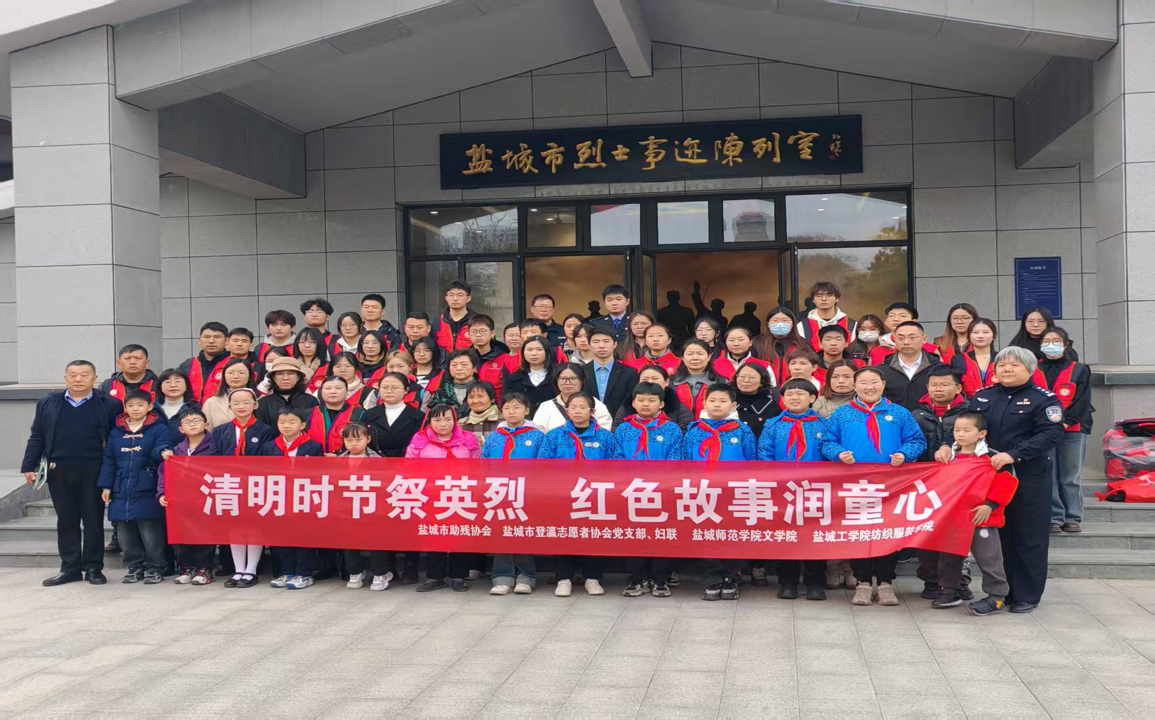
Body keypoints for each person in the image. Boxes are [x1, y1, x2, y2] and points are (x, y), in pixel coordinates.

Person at [955, 347, 1064, 613]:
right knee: (998, 536)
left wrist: (1014, 454)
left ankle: (1026, 595)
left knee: (1028, 535)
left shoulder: (1043, 399)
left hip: (1029, 475)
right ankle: (1000, 593)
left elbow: (1050, 434)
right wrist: (952, 447)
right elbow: (967, 427)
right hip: (990, 477)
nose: (1006, 369)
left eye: (1014, 365)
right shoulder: (983, 396)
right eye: (1002, 364)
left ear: (1030, 369)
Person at [822, 367, 926, 607]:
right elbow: (827, 442)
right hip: (854, 484)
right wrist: (839, 454)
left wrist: (904, 454)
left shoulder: (898, 413)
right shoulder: (842, 414)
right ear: (854, 386)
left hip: (891, 484)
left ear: (883, 384)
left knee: (887, 532)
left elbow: (917, 440)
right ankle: (863, 583)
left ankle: (886, 583)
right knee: (859, 533)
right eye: (863, 383)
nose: (869, 387)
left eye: (874, 382)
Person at [22, 360, 122, 586]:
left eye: (84, 375)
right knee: (66, 520)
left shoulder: (110, 404)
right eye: (73, 375)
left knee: (93, 519)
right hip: (59, 469)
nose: (78, 379)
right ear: (65, 378)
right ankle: (70, 568)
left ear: (95, 378)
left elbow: (115, 438)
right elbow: (37, 434)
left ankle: (94, 568)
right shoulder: (48, 402)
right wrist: (29, 465)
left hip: (94, 469)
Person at [930, 412, 1018, 614]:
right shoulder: (947, 456)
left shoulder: (993, 457)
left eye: (967, 430)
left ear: (981, 433)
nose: (960, 434)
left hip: (983, 517)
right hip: (952, 517)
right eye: (957, 430)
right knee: (949, 556)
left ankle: (996, 596)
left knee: (988, 557)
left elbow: (1007, 484)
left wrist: (990, 505)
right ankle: (950, 590)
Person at [757, 378, 830, 601]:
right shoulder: (773, 424)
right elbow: (765, 454)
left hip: (815, 490)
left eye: (800, 394)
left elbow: (830, 454)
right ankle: (787, 582)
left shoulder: (824, 424)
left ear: (812, 398)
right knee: (786, 536)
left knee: (814, 536)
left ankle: (815, 583)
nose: (794, 398)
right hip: (783, 490)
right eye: (789, 394)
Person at [539, 392, 617, 597]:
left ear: (592, 411)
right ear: (567, 411)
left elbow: (615, 464)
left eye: (582, 407)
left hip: (595, 495)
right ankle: (563, 578)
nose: (577, 411)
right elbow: (544, 464)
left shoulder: (605, 437)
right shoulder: (554, 435)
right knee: (563, 534)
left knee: (594, 535)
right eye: (573, 407)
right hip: (562, 495)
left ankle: (593, 578)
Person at [683, 383, 756, 601]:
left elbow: (752, 461)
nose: (717, 405)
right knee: (706, 535)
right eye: (712, 400)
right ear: (704, 403)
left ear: (733, 405)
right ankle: (712, 579)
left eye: (723, 401)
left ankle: (731, 577)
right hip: (702, 492)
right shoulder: (694, 431)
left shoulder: (743, 431)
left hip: (734, 493)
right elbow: (685, 462)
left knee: (732, 535)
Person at [614, 382, 683, 598]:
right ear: (633, 403)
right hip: (631, 491)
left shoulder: (671, 429)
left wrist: (660, 482)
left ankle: (660, 578)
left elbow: (676, 459)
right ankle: (637, 577)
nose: (646, 404)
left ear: (661, 404)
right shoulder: (624, 429)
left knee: (662, 535)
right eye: (641, 400)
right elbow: (617, 458)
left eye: (651, 400)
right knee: (635, 535)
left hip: (662, 491)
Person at [97, 389, 174, 585]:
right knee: (124, 533)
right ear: (125, 407)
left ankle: (154, 567)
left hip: (147, 486)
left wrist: (164, 451)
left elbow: (162, 445)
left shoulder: (159, 428)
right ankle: (134, 567)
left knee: (151, 531)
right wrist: (106, 486)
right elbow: (109, 460)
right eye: (131, 405)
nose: (135, 409)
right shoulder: (116, 431)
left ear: (149, 406)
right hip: (121, 487)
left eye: (140, 405)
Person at [408, 404, 480, 593]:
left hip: (460, 493)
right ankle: (435, 576)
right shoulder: (420, 440)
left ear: (455, 420)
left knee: (459, 534)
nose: (443, 424)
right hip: (430, 495)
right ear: (429, 421)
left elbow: (477, 467)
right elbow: (410, 467)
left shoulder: (468, 440)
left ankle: (458, 576)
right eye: (437, 420)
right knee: (433, 535)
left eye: (448, 419)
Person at [207, 388, 275, 586]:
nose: (241, 406)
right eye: (236, 403)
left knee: (254, 527)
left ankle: (251, 570)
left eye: (246, 402)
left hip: (255, 484)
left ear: (255, 405)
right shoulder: (221, 430)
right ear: (230, 407)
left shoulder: (265, 430)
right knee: (234, 527)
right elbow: (213, 456)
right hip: (230, 484)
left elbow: (267, 457)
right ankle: (238, 570)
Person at [361, 373, 424, 585]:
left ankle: (410, 566)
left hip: (407, 472)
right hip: (377, 472)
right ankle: (385, 567)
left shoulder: (417, 415)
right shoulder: (369, 414)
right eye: (385, 387)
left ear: (406, 391)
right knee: (381, 520)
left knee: (408, 518)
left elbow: (418, 443)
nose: (389, 391)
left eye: (395, 387)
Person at [481, 392, 546, 596]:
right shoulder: (494, 437)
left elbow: (543, 465)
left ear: (526, 410)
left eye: (517, 407)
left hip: (526, 492)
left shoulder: (537, 436)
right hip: (499, 492)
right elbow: (483, 463)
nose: (511, 411)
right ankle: (502, 576)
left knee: (522, 533)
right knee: (502, 533)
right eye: (507, 408)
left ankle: (526, 576)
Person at [1036, 327, 1093, 534]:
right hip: (1043, 430)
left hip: (1073, 429)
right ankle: (1054, 516)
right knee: (1049, 474)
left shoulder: (1079, 369)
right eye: (1046, 341)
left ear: (1066, 344)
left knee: (1070, 476)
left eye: (1056, 341)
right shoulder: (1033, 368)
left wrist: (1066, 422)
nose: (1051, 344)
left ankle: (1072, 516)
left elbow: (1083, 400)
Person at [259, 408, 324, 590]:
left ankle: (304, 573)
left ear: (302, 425)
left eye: (291, 422)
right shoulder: (270, 447)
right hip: (279, 497)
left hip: (304, 497)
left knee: (304, 536)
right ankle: (287, 572)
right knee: (282, 536)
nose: (286, 426)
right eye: (282, 422)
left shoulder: (313, 446)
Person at [810, 359, 860, 590]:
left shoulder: (863, 402)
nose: (841, 381)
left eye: (847, 377)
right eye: (836, 377)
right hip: (826, 470)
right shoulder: (818, 403)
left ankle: (851, 568)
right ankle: (832, 566)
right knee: (829, 520)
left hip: (855, 470)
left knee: (851, 521)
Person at [158, 408, 214, 586]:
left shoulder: (214, 448)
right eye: (187, 422)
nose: (192, 424)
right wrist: (162, 493)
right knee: (181, 534)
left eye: (196, 421)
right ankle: (186, 568)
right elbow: (164, 474)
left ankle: (204, 568)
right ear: (181, 429)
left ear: (206, 425)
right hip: (181, 501)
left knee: (205, 534)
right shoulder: (176, 451)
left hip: (205, 499)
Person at [337, 423, 393, 592]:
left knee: (377, 542)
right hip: (347, 509)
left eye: (358, 439)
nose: (353, 444)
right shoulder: (339, 460)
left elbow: (386, 486)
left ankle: (380, 573)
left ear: (368, 439)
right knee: (349, 542)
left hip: (373, 509)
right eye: (348, 440)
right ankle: (355, 572)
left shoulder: (378, 460)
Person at [877, 321, 942, 411]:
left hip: (929, 418)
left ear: (924, 339)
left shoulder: (939, 369)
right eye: (900, 338)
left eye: (912, 338)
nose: (906, 342)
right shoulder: (880, 370)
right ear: (894, 340)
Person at [912, 365, 970, 462]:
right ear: (928, 387)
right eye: (933, 385)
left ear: (958, 388)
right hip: (925, 468)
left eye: (944, 385)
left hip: (959, 467)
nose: (938, 389)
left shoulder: (970, 413)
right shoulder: (916, 415)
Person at [581, 326, 640, 419]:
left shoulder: (630, 373)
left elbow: (631, 403)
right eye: (596, 342)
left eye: (606, 341)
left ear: (615, 344)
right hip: (588, 422)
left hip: (620, 422)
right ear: (589, 345)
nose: (601, 345)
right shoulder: (581, 372)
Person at [534, 363, 613, 432]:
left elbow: (604, 433)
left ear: (582, 381)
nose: (568, 382)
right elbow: (538, 434)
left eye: (573, 378)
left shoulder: (596, 405)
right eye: (563, 378)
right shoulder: (546, 407)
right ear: (556, 381)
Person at [614, 365, 694, 429]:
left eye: (655, 379)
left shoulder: (678, 406)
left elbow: (685, 431)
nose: (650, 382)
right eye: (645, 379)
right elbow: (617, 429)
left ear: (666, 382)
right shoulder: (628, 405)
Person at [307, 376, 365, 455]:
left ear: (347, 391)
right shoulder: (309, 413)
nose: (333, 391)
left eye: (338, 388)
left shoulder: (359, 413)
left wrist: (339, 455)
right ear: (321, 392)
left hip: (347, 459)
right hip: (313, 460)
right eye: (328, 388)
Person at [255, 356, 319, 426]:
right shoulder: (263, 403)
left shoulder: (311, 401)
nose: (285, 378)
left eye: (290, 373)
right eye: (280, 374)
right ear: (274, 378)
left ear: (298, 377)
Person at [503, 337, 559, 414]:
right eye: (529, 350)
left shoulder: (558, 375)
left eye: (539, 349)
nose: (534, 353)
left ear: (548, 351)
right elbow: (508, 401)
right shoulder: (514, 377)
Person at [753, 307, 805, 387]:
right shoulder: (757, 343)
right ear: (768, 324)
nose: (780, 324)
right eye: (775, 320)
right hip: (765, 389)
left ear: (793, 324)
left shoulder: (802, 344)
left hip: (795, 388)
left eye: (785, 320)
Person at [797, 282, 856, 352]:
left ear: (837, 298)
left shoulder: (851, 325)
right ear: (813, 300)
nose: (824, 299)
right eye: (819, 296)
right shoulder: (803, 326)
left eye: (829, 295)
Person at [179, 321, 229, 403]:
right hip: (192, 410)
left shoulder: (234, 364)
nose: (211, 341)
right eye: (206, 337)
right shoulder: (188, 365)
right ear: (199, 340)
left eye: (217, 337)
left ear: (226, 341)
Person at [467, 314, 509, 404]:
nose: (478, 335)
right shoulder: (463, 358)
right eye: (474, 331)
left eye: (483, 331)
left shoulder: (504, 358)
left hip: (497, 408)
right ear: (468, 334)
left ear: (492, 333)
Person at [952, 318, 999, 398]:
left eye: (985, 332)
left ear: (993, 336)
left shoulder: (1002, 358)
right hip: (968, 403)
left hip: (997, 402)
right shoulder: (959, 360)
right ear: (969, 336)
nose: (980, 336)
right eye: (975, 332)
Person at [671, 340, 718, 420]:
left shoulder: (720, 381)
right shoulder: (671, 382)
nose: (695, 358)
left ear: (709, 357)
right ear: (682, 357)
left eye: (700, 354)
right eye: (690, 354)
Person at [423, 348, 480, 414]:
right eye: (454, 365)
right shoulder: (442, 393)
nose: (459, 368)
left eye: (464, 364)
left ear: (474, 368)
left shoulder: (483, 390)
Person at [200, 358, 252, 427]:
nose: (235, 376)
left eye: (241, 373)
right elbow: (207, 430)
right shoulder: (211, 403)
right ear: (224, 375)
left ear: (249, 376)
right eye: (230, 372)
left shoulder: (260, 400)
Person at [734, 363, 781, 436]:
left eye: (752, 377)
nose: (746, 380)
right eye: (742, 376)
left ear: (762, 382)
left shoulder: (771, 407)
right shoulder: (727, 401)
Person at [152, 368, 198, 435]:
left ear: (186, 385)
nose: (173, 385)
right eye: (167, 382)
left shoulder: (195, 408)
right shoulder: (152, 409)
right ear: (160, 387)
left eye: (178, 381)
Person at [432, 282, 474, 353]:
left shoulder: (477, 321)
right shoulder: (438, 322)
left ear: (468, 298)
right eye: (451, 295)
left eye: (460, 295)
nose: (455, 299)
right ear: (446, 298)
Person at [294, 327, 330, 393]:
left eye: (312, 342)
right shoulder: (292, 365)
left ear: (319, 344)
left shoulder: (329, 367)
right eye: (302, 342)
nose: (307, 346)